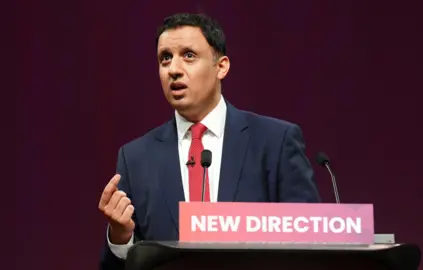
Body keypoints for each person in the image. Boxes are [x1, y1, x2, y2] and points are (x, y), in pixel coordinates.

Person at [98, 12, 321, 270]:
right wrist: (120, 237)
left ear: (221, 66)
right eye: (165, 58)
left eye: (189, 56)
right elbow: (112, 266)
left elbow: (310, 246)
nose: (174, 70)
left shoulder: (275, 142)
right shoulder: (135, 158)